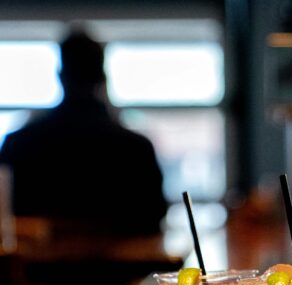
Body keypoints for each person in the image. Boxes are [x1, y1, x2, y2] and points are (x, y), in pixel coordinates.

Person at [0, 28, 167, 236]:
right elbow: (154, 220)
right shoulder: (136, 149)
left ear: (60, 77)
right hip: (125, 269)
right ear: (102, 77)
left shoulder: (19, 144)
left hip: (35, 268)